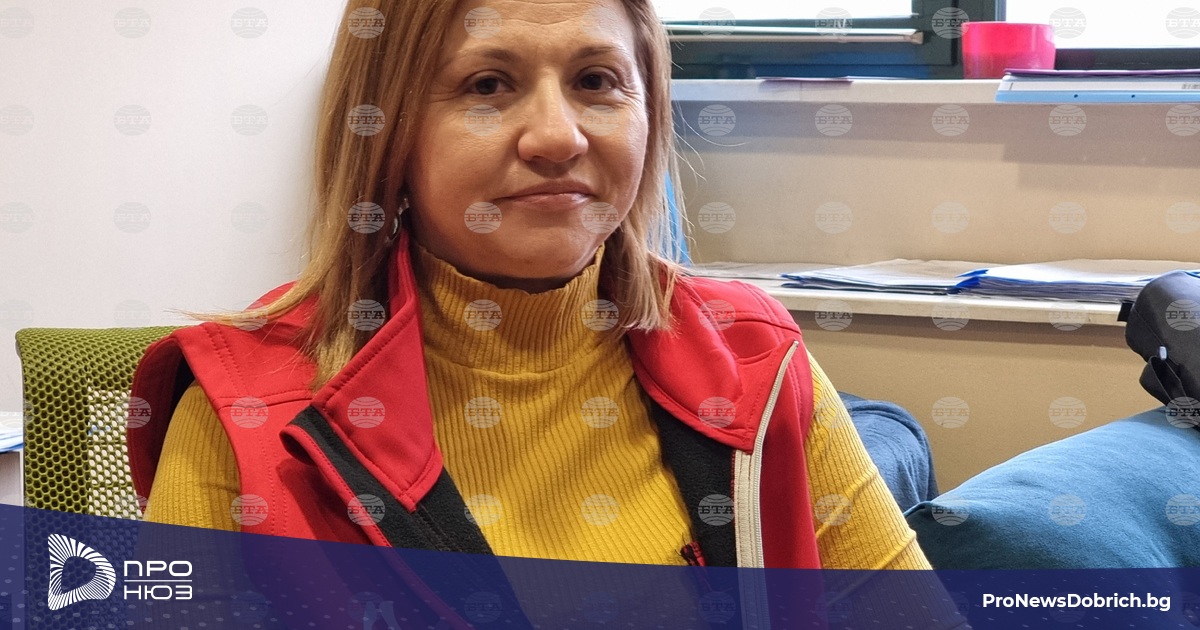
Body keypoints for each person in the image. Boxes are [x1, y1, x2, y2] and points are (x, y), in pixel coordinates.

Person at [128, 0, 931, 575]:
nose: (556, 136)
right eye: (487, 85)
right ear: (386, 132)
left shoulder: (757, 358)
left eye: (596, 80)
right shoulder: (244, 411)